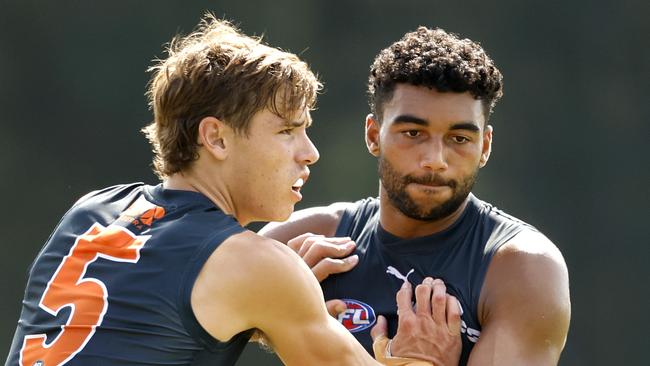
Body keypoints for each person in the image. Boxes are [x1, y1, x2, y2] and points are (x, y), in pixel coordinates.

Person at [5, 16, 462, 366]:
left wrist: (264, 314)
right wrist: (422, 355)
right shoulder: (256, 265)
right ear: (216, 138)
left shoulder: (93, 210)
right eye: (287, 130)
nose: (309, 152)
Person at [261, 26, 572, 365]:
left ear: (485, 146)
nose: (435, 160)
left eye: (459, 139)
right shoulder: (301, 243)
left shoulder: (521, 269)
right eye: (413, 133)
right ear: (373, 135)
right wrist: (284, 317)